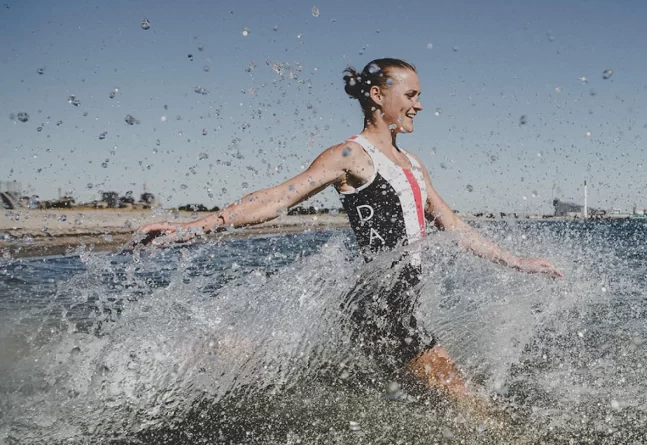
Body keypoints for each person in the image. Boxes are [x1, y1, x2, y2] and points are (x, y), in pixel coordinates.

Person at [133, 58, 562, 407]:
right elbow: (278, 198)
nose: (419, 105)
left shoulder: (412, 164)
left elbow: (454, 226)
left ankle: (220, 361)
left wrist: (517, 262)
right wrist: (194, 228)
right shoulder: (351, 155)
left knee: (414, 401)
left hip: (387, 304)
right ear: (378, 96)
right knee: (465, 400)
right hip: (384, 306)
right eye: (410, 95)